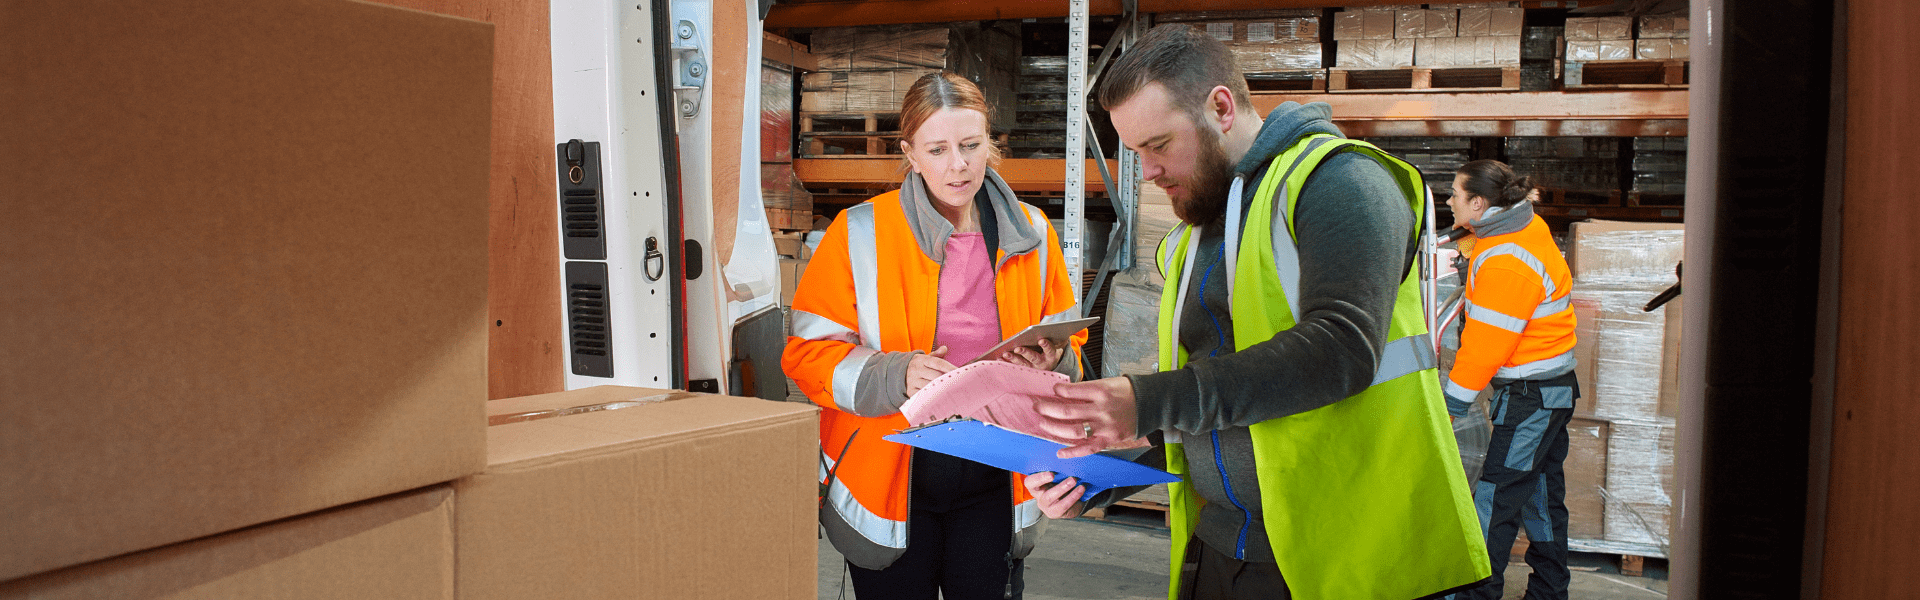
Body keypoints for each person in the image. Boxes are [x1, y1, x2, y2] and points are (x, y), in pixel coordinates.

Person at [1017, 25, 1488, 599]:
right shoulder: (1195, 237)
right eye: (1135, 152)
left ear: (1220, 107)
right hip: (1224, 549)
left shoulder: (1341, 181)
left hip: (1343, 550)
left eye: (1159, 145)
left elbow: (1342, 349)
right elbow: (1217, 390)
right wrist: (1099, 478)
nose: (1148, 172)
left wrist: (1145, 401)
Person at [781, 71, 1086, 600]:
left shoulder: (1033, 233)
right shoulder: (857, 233)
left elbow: (1070, 349)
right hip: (891, 477)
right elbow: (806, 353)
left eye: (970, 145)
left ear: (990, 143)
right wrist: (895, 372)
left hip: (995, 473)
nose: (958, 164)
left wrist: (1052, 361)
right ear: (910, 154)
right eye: (937, 149)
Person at [1442, 160, 1580, 600]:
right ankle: (1550, 591)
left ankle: (1474, 593)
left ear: (1480, 204)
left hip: (1530, 400)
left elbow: (1484, 347)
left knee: (1495, 499)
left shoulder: (1505, 260)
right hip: (1552, 391)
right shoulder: (1520, 226)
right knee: (1539, 496)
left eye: (1455, 195)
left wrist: (1451, 406)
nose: (1448, 201)